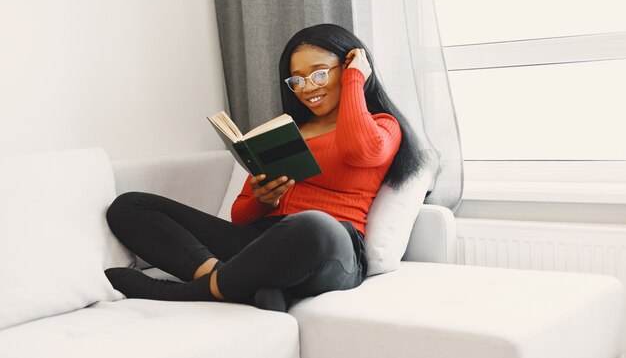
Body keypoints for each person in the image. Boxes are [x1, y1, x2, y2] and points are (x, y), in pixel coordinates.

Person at [104, 23, 425, 312]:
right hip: (262, 243)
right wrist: (263, 199)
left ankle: (191, 292)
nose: (308, 88)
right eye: (297, 80)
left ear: (347, 67)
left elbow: (361, 149)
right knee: (130, 206)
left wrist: (356, 79)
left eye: (319, 74)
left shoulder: (383, 125)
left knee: (311, 225)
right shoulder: (288, 132)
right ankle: (226, 280)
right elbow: (240, 216)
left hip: (328, 244)